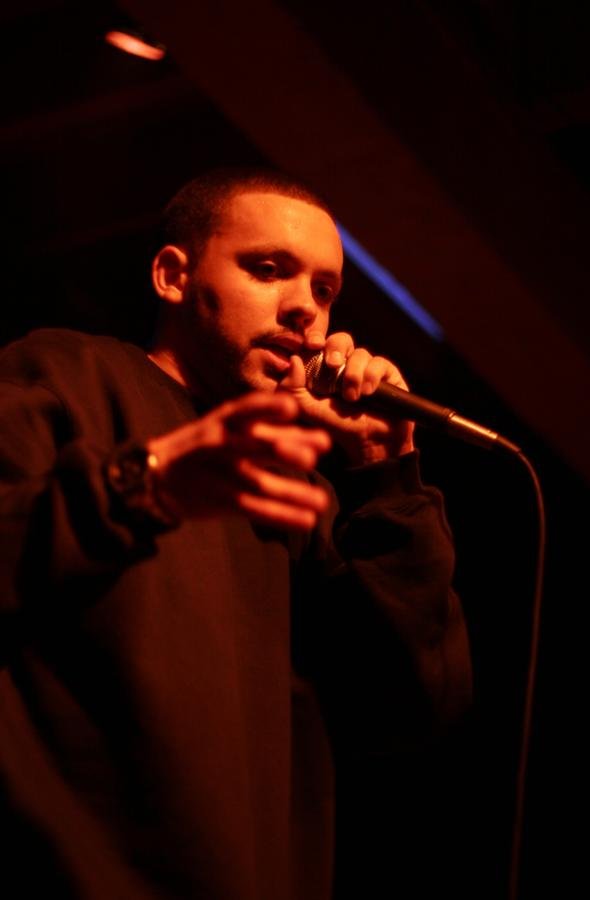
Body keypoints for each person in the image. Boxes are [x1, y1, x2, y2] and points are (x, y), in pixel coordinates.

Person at [0, 167, 471, 899]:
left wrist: (386, 479)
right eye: (269, 269)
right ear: (172, 275)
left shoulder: (299, 495)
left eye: (324, 290)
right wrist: (148, 485)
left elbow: (413, 704)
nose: (304, 309)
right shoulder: (66, 371)